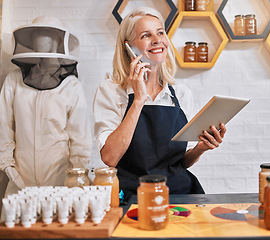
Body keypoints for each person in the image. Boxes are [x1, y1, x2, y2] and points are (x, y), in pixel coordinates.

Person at [93, 7, 226, 197]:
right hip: (132, 195)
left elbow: (180, 162)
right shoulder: (111, 91)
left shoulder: (180, 94)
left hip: (178, 193)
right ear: (129, 46)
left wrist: (199, 149)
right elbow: (110, 158)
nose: (157, 40)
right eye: (146, 35)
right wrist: (138, 99)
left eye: (160, 32)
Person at [0, 16, 92, 198]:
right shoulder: (14, 79)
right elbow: (3, 125)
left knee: (55, 226)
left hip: (59, 180)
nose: (40, 40)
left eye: (46, 36)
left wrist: (77, 176)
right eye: (36, 35)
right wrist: (8, 166)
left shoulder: (71, 85)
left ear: (58, 41)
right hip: (20, 180)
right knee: (16, 224)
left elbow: (80, 138)